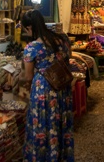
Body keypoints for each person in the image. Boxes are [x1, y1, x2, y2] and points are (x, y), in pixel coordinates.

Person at [21, 9, 75, 161]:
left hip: (44, 91)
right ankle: (61, 157)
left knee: (44, 125)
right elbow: (67, 59)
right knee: (60, 124)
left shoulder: (32, 47)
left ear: (29, 27)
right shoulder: (63, 39)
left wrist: (23, 81)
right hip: (62, 88)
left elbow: (28, 76)